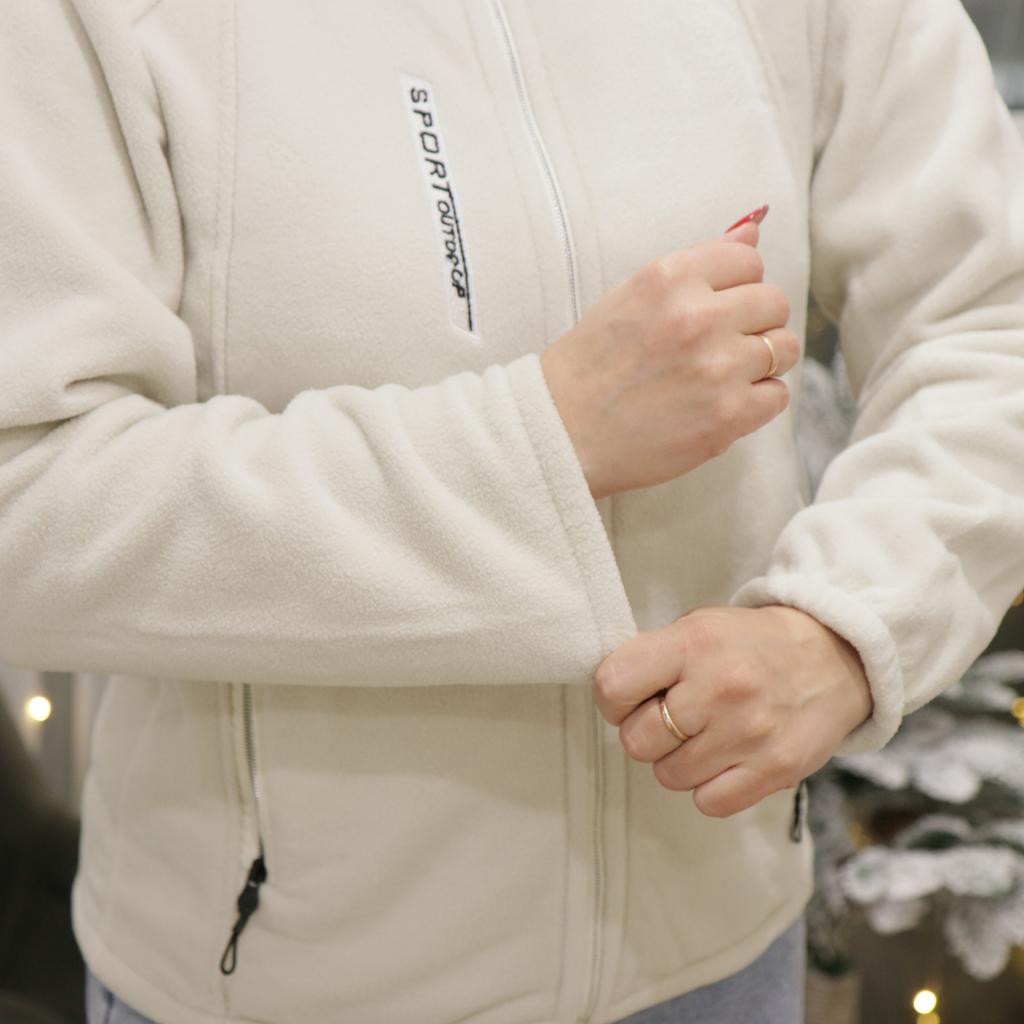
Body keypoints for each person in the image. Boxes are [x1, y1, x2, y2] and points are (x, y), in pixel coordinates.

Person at [2, 0, 1024, 1022]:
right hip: (276, 984)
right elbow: (28, 490)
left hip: (723, 959)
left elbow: (988, 317)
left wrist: (847, 629)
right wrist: (543, 441)